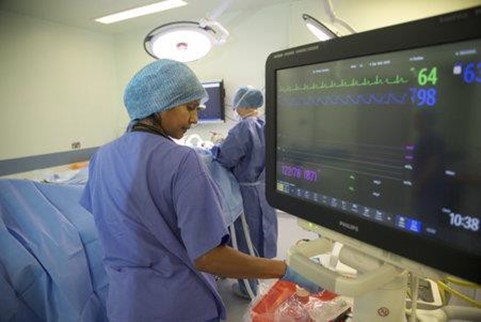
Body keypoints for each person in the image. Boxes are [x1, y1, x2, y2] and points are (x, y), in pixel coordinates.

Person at [79, 59, 321, 322]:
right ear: (159, 105)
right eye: (189, 107)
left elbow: (114, 222)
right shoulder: (182, 160)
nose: (195, 119)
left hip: (127, 305)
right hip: (176, 306)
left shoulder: (102, 157)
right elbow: (209, 257)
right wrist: (284, 270)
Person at [210, 86, 277, 299]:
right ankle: (262, 270)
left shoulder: (242, 129)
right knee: (264, 231)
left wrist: (216, 145)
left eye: (236, 104)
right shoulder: (268, 124)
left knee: (246, 237)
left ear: (241, 104)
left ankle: (247, 287)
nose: (235, 108)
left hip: (246, 194)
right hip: (265, 191)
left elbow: (225, 158)